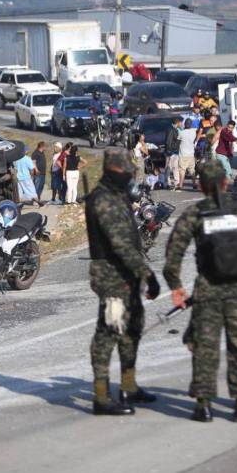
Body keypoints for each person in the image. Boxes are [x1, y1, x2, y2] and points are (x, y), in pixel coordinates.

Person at [163, 160, 237, 422]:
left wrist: (176, 286)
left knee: (205, 346)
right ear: (226, 182)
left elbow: (173, 253)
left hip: (207, 288)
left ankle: (203, 405)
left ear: (201, 185)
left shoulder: (195, 214)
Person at [85, 148, 160, 415]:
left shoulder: (117, 196)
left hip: (127, 274)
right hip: (112, 277)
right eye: (126, 171)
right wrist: (147, 274)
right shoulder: (103, 200)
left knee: (132, 330)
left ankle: (128, 386)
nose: (129, 175)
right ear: (114, 170)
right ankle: (101, 396)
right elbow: (119, 245)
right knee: (108, 333)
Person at [179, 118, 198, 190]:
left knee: (182, 170)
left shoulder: (181, 132)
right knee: (192, 170)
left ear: (185, 124)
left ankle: (180, 185)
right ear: (191, 125)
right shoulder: (194, 132)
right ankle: (194, 183)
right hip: (191, 154)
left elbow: (178, 139)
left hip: (183, 154)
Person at [165, 117, 183, 190]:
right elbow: (168, 141)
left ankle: (175, 183)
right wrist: (169, 152)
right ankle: (168, 183)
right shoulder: (171, 130)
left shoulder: (174, 129)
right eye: (181, 122)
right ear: (177, 122)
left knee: (174, 167)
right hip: (171, 152)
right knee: (169, 168)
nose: (181, 124)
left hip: (174, 151)